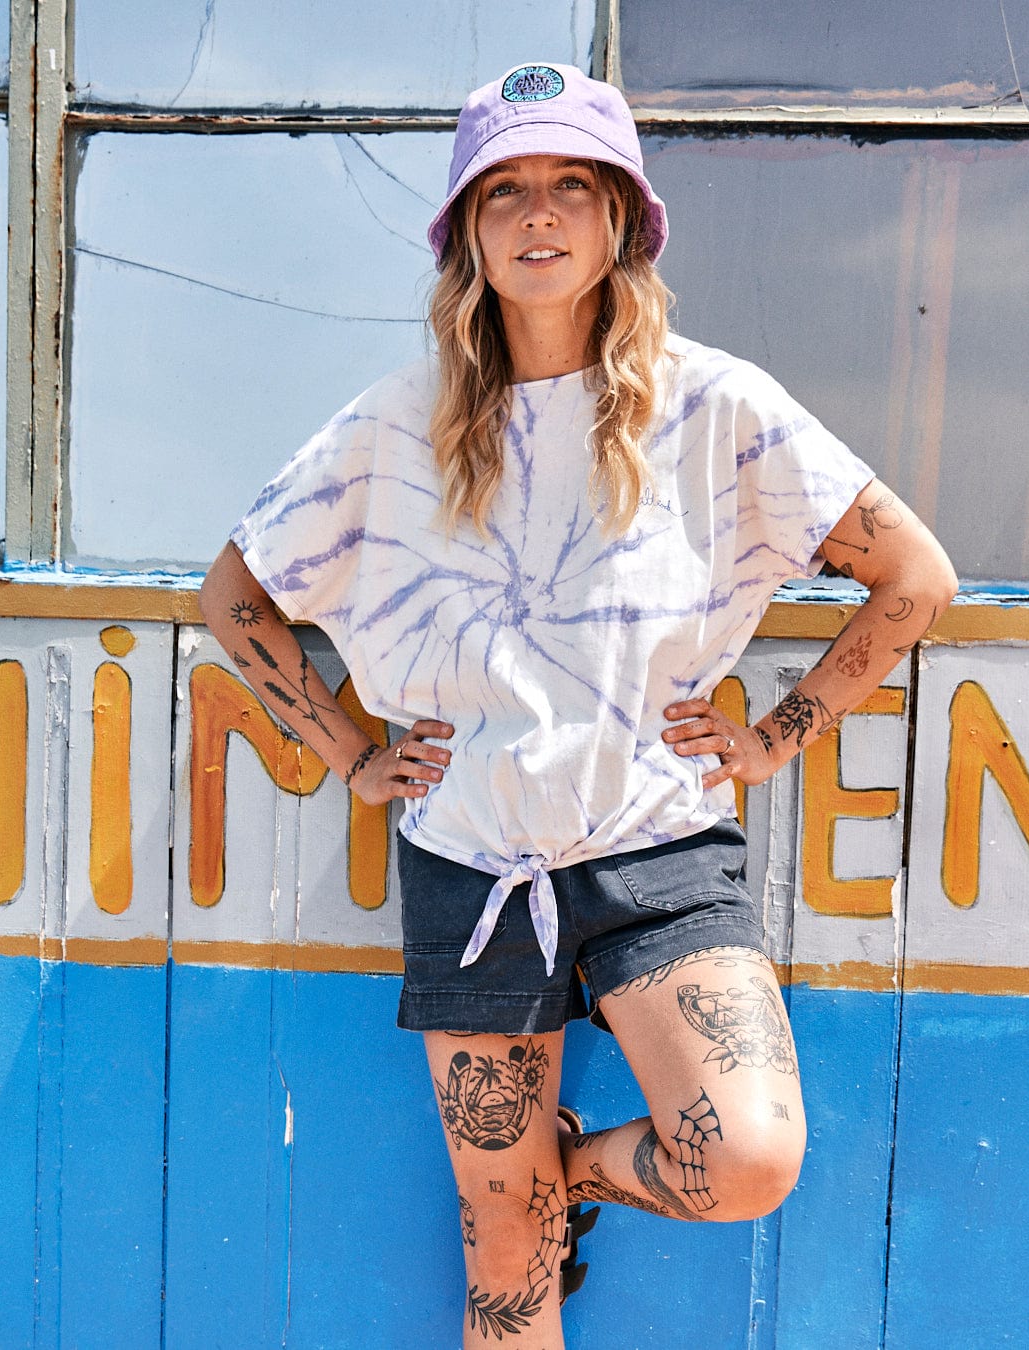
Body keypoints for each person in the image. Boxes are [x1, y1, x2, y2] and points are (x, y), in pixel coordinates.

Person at [199, 61, 957, 1348]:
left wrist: (775, 739)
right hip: (470, 856)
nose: (538, 216)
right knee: (506, 1257)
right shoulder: (395, 427)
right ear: (466, 237)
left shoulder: (715, 405)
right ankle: (528, 1194)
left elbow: (912, 575)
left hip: (657, 846)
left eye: (570, 186)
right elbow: (234, 598)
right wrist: (348, 750)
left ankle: (564, 1170)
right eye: (504, 193)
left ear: (620, 222)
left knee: (748, 1155)